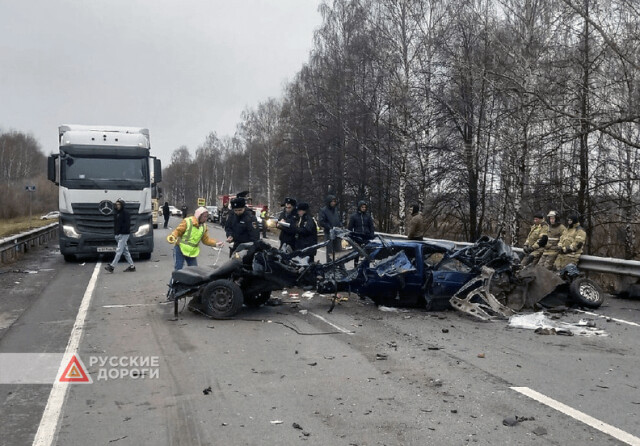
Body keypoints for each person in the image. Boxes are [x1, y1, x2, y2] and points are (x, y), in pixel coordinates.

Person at [104, 198, 135, 273]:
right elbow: (116, 225)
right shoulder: (116, 213)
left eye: (119, 204)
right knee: (125, 251)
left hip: (124, 234)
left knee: (119, 250)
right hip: (118, 234)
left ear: (122, 205)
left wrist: (121, 232)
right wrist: (116, 233)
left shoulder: (125, 213)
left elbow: (127, 224)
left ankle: (112, 266)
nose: (117, 206)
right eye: (117, 204)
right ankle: (132, 266)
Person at [348, 200, 375, 267]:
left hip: (366, 236)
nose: (364, 208)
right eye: (362, 207)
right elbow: (350, 227)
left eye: (365, 207)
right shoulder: (354, 216)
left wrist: (372, 234)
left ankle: (367, 266)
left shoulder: (368, 216)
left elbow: (371, 226)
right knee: (357, 252)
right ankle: (356, 266)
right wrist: (351, 236)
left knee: (367, 252)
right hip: (358, 236)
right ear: (359, 207)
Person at [318, 194, 343, 262]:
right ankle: (329, 265)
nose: (333, 203)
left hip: (337, 233)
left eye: (334, 201)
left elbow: (339, 219)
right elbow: (321, 221)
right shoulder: (323, 210)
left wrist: (340, 225)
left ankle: (339, 265)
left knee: (338, 250)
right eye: (332, 201)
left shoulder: (335, 210)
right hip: (329, 233)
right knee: (330, 251)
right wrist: (329, 227)